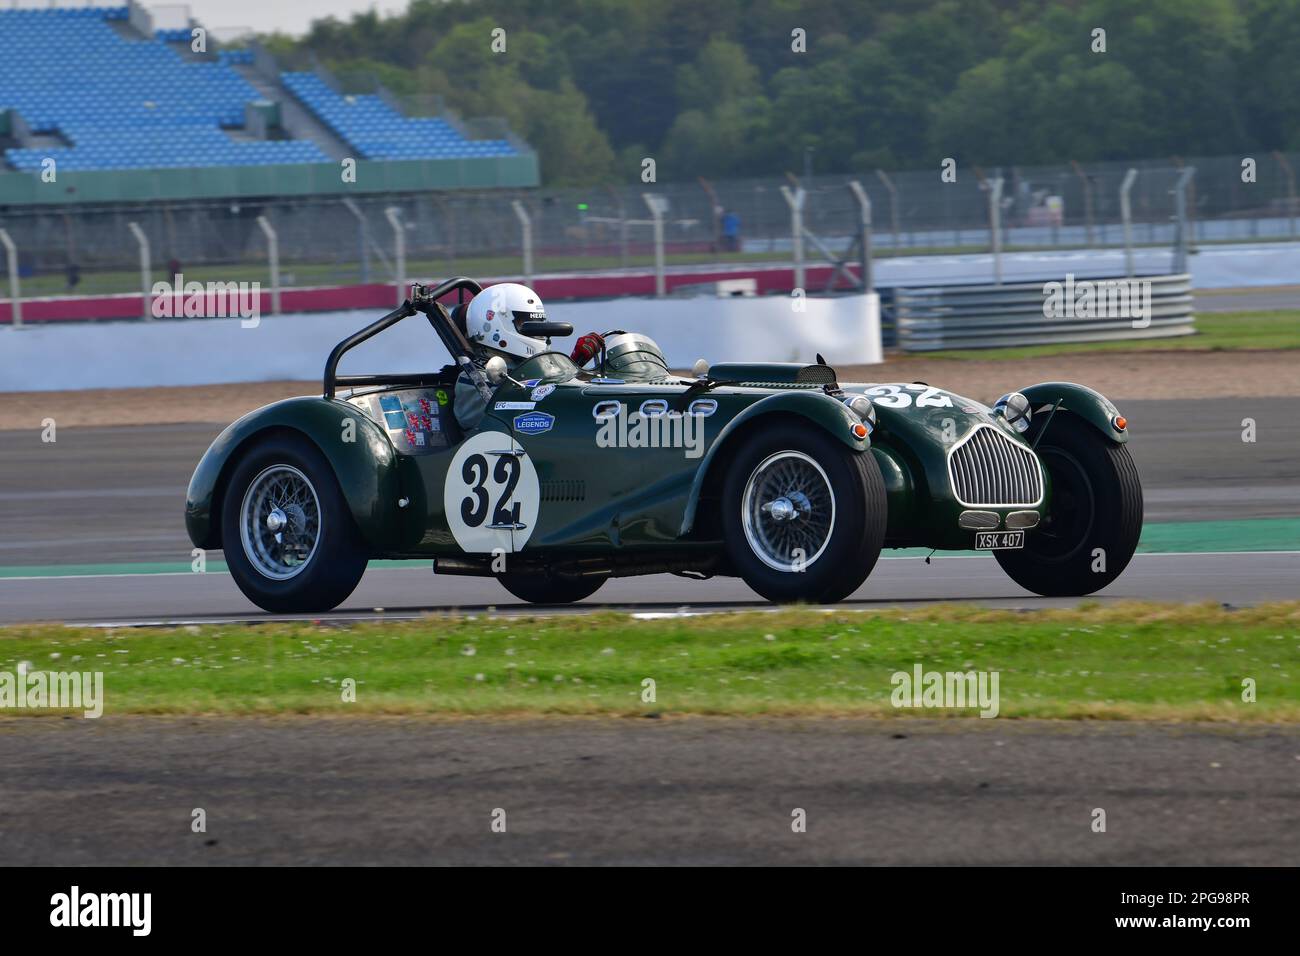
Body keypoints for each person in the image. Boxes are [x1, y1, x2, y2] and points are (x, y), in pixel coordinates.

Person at [453, 282, 551, 431]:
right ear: (494, 325)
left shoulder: (528, 364)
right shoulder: (473, 377)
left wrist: (577, 360)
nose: (536, 328)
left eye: (538, 321)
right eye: (524, 322)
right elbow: (528, 400)